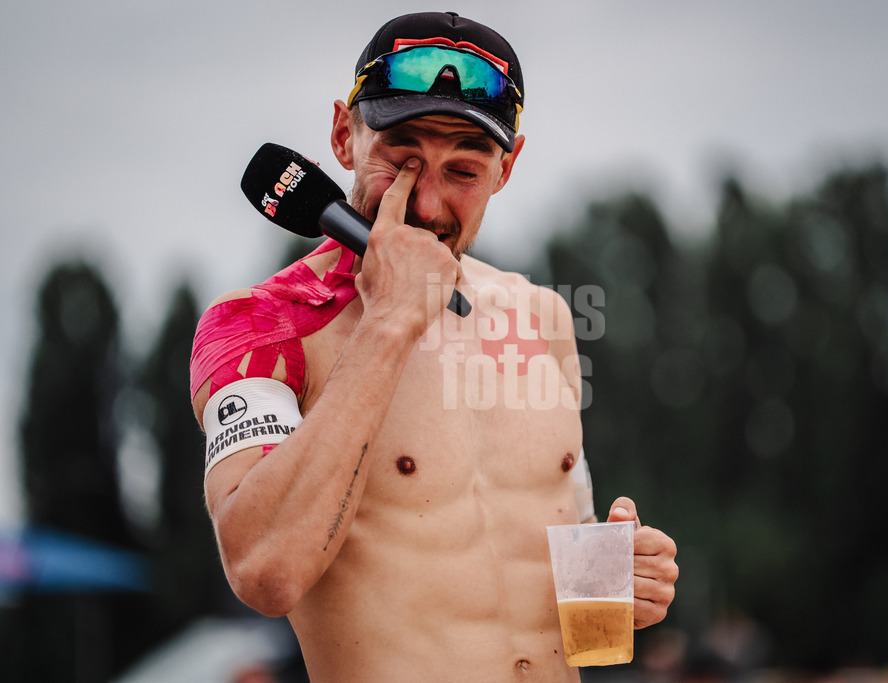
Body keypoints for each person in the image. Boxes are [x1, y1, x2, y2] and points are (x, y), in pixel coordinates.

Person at [190, 11, 678, 682]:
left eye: (464, 170)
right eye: (402, 158)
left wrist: (620, 583)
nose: (426, 202)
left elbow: (561, 605)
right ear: (343, 135)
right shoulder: (260, 325)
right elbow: (264, 571)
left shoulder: (543, 316)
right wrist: (390, 322)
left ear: (508, 168)